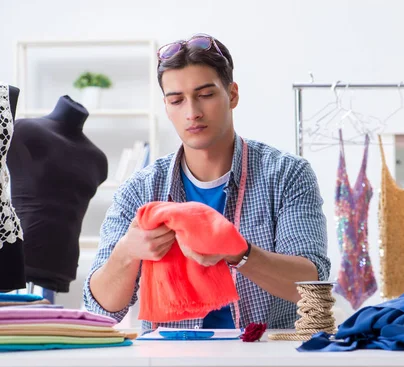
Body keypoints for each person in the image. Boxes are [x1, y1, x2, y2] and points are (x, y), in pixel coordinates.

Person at [83, 33, 331, 331]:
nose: (192, 112)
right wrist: (126, 252)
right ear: (167, 107)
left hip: (264, 359)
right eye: (177, 100)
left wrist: (239, 254)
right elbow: (102, 311)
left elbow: (311, 285)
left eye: (206, 95)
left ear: (233, 95)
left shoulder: (286, 174)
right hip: (171, 363)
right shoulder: (141, 189)